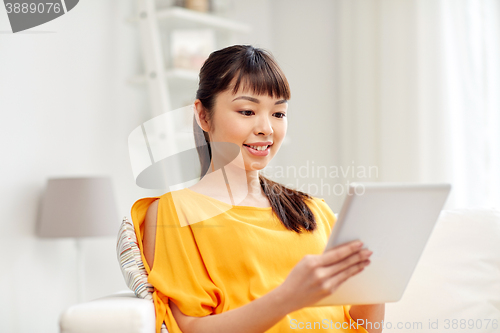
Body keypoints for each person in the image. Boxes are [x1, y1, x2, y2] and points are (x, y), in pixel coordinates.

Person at [131, 45, 385, 333]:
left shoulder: (314, 210)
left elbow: (360, 327)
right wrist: (287, 298)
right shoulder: (175, 213)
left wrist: (378, 281)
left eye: (278, 113)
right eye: (248, 111)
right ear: (203, 116)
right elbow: (188, 328)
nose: (266, 128)